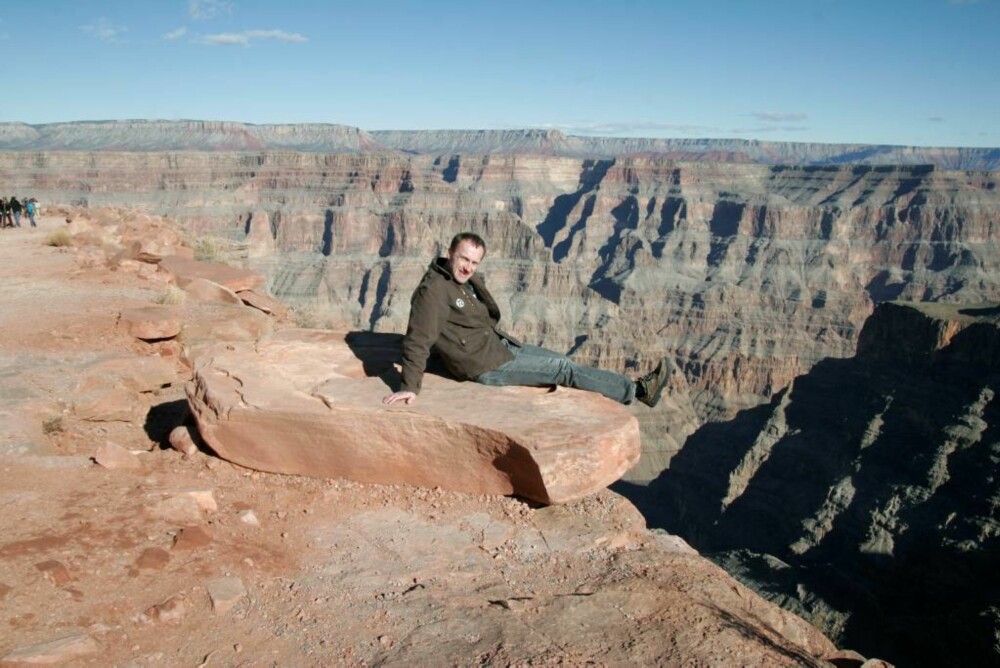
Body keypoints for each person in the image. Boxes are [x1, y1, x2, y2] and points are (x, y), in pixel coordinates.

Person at [382, 232, 672, 407]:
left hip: (498, 346)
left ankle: (620, 387)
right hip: (484, 365)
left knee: (562, 360)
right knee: (561, 369)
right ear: (450, 254)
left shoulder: (457, 280)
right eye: (464, 259)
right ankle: (637, 391)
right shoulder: (433, 290)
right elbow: (419, 337)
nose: (468, 267)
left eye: (474, 262)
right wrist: (409, 385)